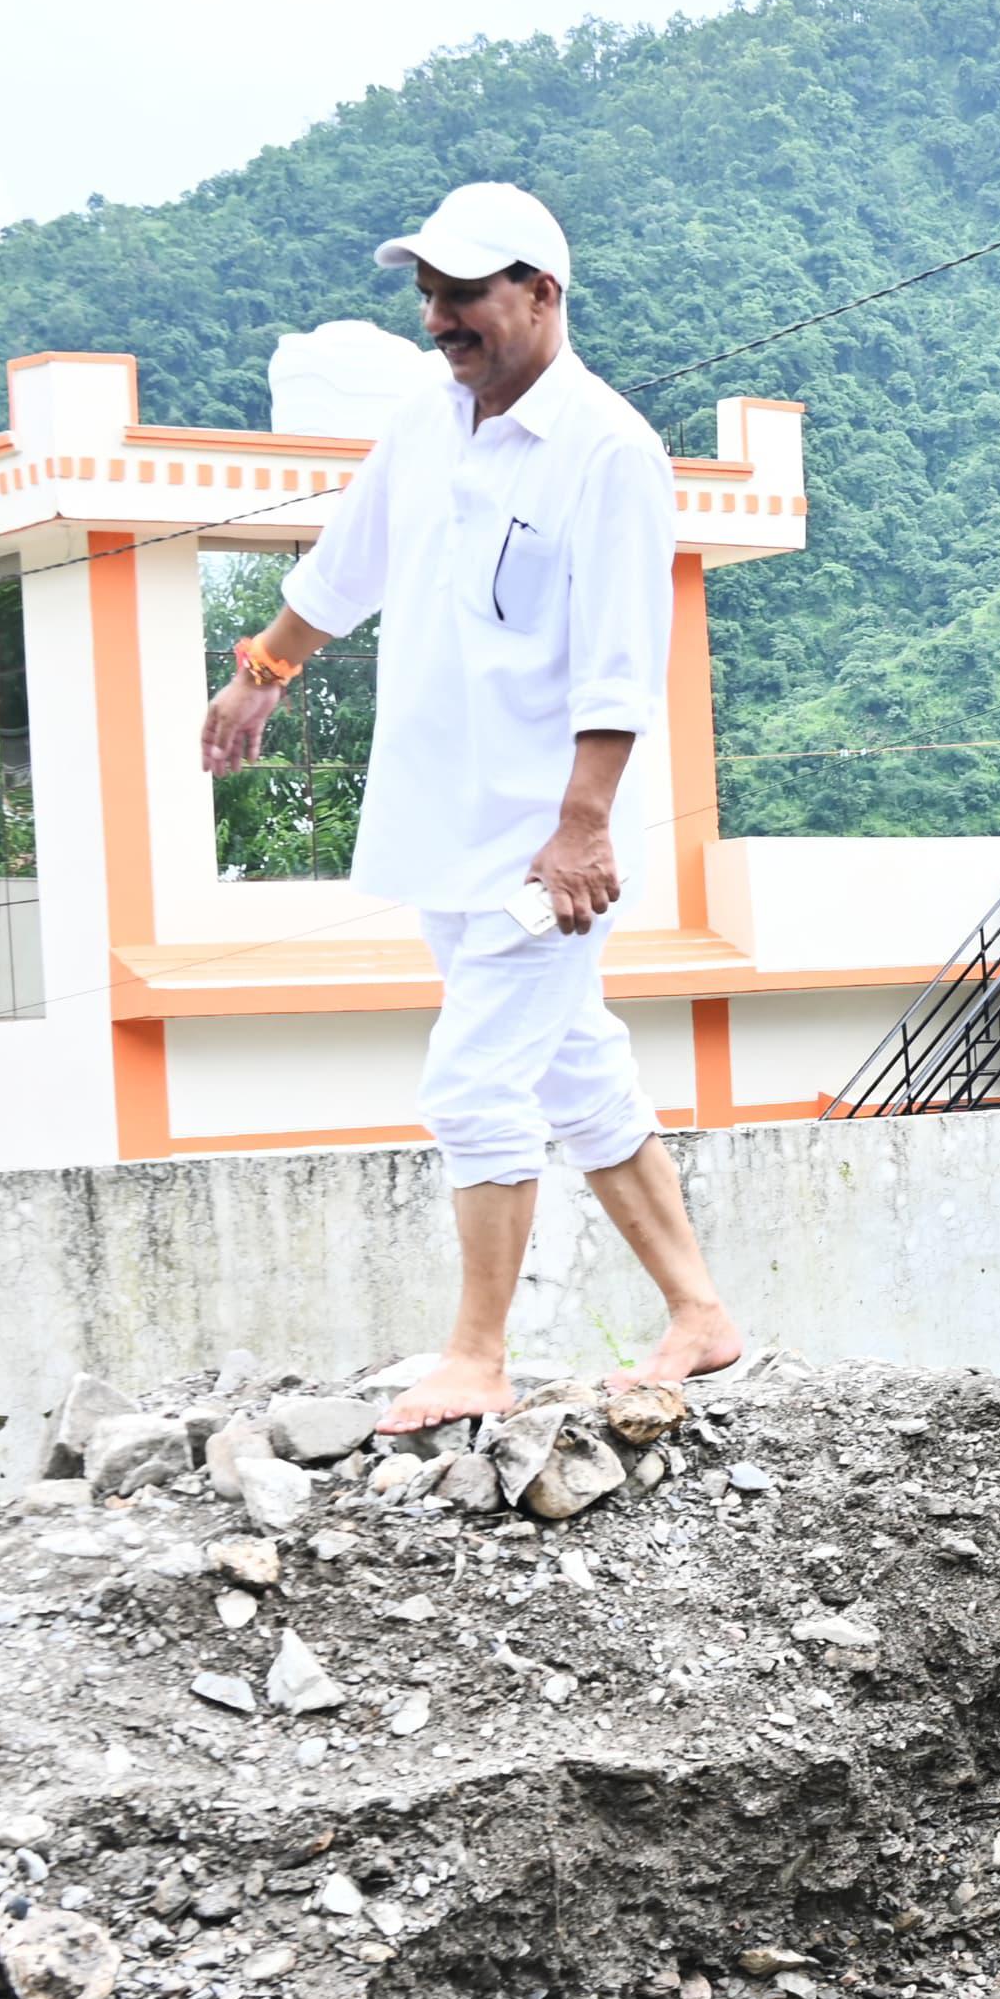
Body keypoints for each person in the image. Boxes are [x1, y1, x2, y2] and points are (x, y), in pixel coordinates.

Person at [201, 182, 741, 1433]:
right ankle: (702, 1318)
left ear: (540, 294)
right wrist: (258, 678)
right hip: (439, 814)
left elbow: (620, 655)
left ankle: (476, 1356)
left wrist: (587, 823)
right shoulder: (427, 421)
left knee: (473, 1080)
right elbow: (351, 561)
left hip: (547, 837)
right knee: (569, 1065)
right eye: (429, 293)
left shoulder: (609, 451)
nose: (441, 317)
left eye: (466, 294)